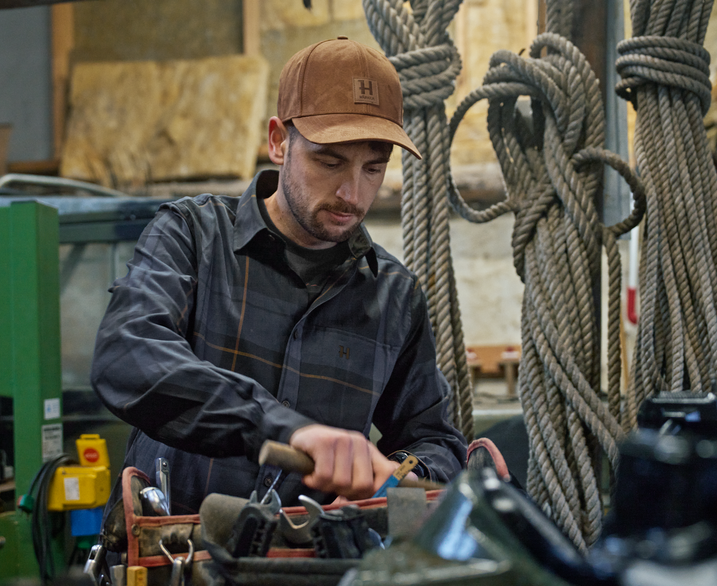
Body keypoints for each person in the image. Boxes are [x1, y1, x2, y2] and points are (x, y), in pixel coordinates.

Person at [91, 36, 466, 514]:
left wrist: (400, 476)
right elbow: (126, 354)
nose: (352, 193)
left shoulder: (394, 295)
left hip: (313, 575)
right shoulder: (193, 235)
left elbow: (435, 439)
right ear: (278, 141)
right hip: (178, 567)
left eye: (374, 168)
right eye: (329, 161)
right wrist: (286, 430)